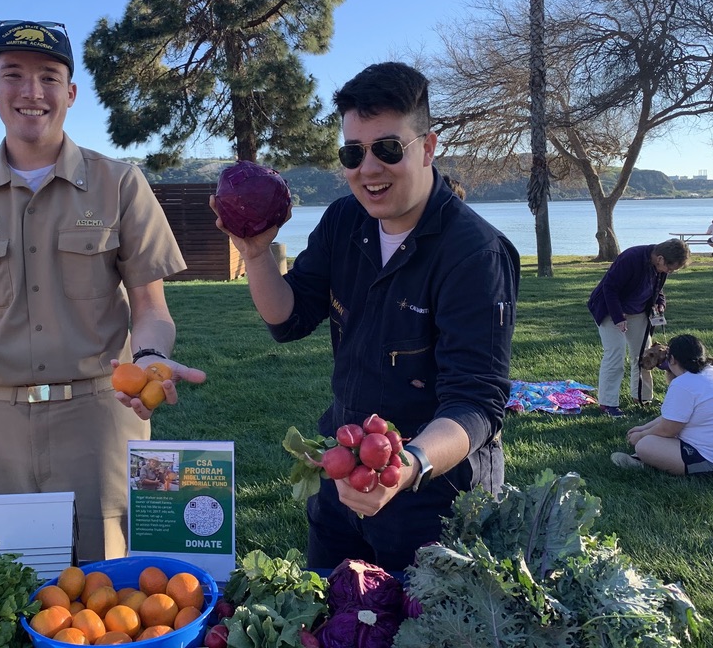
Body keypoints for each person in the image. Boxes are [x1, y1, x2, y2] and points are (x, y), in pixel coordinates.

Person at [0, 19, 206, 561]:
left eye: (49, 77)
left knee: (110, 598)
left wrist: (150, 358)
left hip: (99, 422)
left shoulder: (119, 183)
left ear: (71, 93)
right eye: (14, 75)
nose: (32, 92)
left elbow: (151, 309)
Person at [211, 61, 520, 571]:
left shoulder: (475, 254)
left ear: (428, 146)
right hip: (342, 480)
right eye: (353, 153)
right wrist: (255, 253)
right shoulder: (344, 220)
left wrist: (407, 465)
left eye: (388, 148)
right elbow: (287, 319)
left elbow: (478, 403)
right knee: (329, 623)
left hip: (436, 502)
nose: (368, 168)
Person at [611, 334, 713, 476]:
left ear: (672, 359)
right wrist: (644, 427)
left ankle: (645, 463)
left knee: (644, 445)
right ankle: (648, 458)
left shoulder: (683, 384)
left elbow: (668, 430)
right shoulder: (710, 373)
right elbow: (673, 417)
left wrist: (641, 435)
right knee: (651, 440)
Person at [587, 239, 690, 417]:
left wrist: (660, 303)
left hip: (638, 312)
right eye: (670, 268)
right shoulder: (630, 258)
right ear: (660, 259)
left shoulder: (659, 267)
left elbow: (657, 289)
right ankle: (608, 403)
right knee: (615, 355)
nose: (669, 272)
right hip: (610, 310)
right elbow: (609, 288)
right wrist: (618, 317)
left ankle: (642, 397)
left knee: (644, 354)